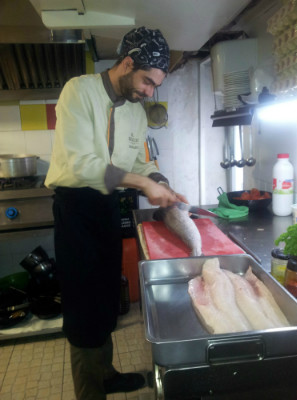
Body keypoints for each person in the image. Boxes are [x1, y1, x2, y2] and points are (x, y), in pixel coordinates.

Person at [45, 26, 187, 400]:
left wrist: (160, 181)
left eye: (155, 86)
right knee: (83, 310)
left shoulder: (136, 113)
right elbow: (81, 165)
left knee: (107, 298)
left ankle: (106, 375)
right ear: (127, 62)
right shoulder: (79, 91)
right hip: (76, 210)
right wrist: (142, 185)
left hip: (107, 207)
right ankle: (90, 392)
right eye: (147, 81)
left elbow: (139, 162)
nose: (149, 92)